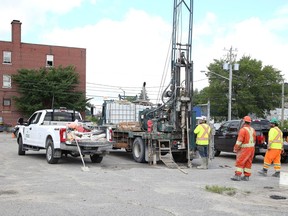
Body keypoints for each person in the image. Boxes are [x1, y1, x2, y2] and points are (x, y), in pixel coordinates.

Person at [231, 116, 256, 181]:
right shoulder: (252, 129)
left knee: (240, 161)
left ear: (244, 122)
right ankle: (246, 176)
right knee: (248, 162)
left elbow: (239, 141)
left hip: (245, 148)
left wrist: (236, 148)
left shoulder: (243, 130)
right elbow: (254, 140)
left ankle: (238, 175)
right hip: (252, 148)